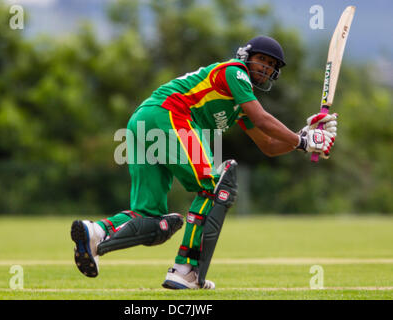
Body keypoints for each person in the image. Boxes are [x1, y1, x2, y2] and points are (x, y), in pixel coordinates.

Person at [70, 35, 338, 289]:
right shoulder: (235, 72)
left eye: (271, 66)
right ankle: (185, 270)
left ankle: (95, 232)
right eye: (262, 60)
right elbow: (262, 118)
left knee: (151, 217)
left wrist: (301, 138)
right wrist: (303, 141)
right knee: (214, 187)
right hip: (169, 115)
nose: (266, 68)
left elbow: (268, 145)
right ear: (246, 56)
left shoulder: (239, 104)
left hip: (143, 121)